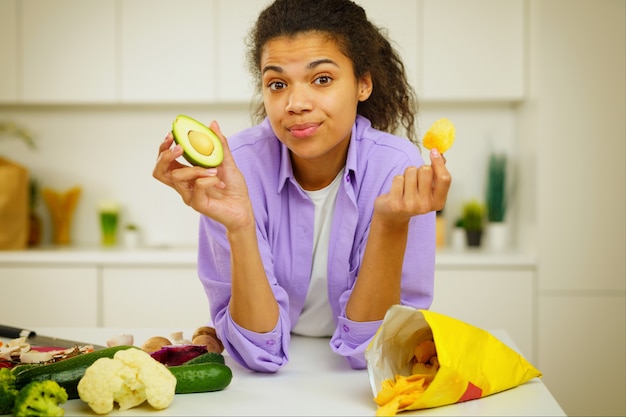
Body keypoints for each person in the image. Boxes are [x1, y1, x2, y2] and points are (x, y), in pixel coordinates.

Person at [153, 0, 451, 373]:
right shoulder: (236, 169)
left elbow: (374, 350)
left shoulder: (398, 169)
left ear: (363, 83)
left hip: (353, 389)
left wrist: (389, 226)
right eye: (277, 84)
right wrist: (239, 225)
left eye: (321, 79)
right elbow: (257, 351)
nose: (295, 103)